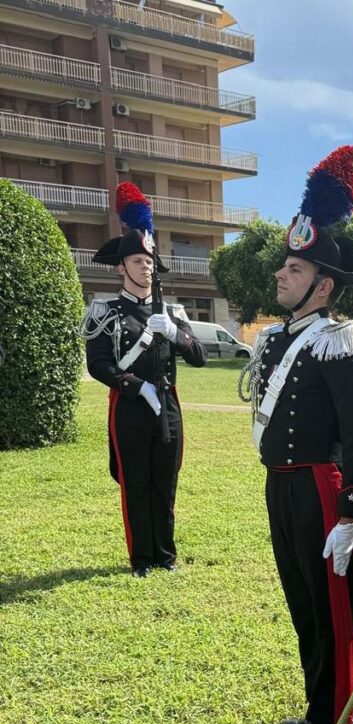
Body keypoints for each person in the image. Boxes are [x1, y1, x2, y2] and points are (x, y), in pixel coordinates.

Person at [246, 146, 353, 724]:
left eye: (294, 270)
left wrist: (352, 512)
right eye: (284, 266)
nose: (281, 274)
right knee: (302, 600)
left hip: (323, 493)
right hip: (282, 485)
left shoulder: (336, 342)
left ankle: (337, 716)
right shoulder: (278, 340)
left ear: (323, 285)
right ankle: (316, 706)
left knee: (331, 608)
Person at [80, 184, 205, 577]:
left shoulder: (171, 311)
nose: (146, 267)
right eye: (137, 261)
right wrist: (135, 385)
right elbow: (98, 364)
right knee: (135, 486)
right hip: (131, 408)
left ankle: (166, 555)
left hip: (167, 408)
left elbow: (198, 357)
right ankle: (141, 559)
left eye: (150, 261)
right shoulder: (106, 311)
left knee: (165, 485)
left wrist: (174, 332)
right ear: (122, 266)